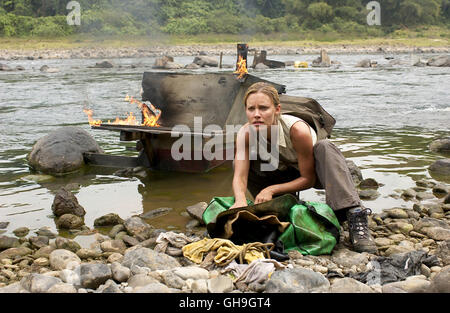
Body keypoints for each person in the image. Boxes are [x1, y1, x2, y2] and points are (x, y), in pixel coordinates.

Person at [230, 82, 377, 254]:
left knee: (325, 147)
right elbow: (240, 176)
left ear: (277, 110)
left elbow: (309, 179)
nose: (256, 115)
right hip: (285, 172)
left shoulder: (297, 130)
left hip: (317, 173)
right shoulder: (245, 133)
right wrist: (239, 200)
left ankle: (355, 217)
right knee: (241, 162)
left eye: (263, 108)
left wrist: (271, 189)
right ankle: (279, 209)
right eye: (251, 109)